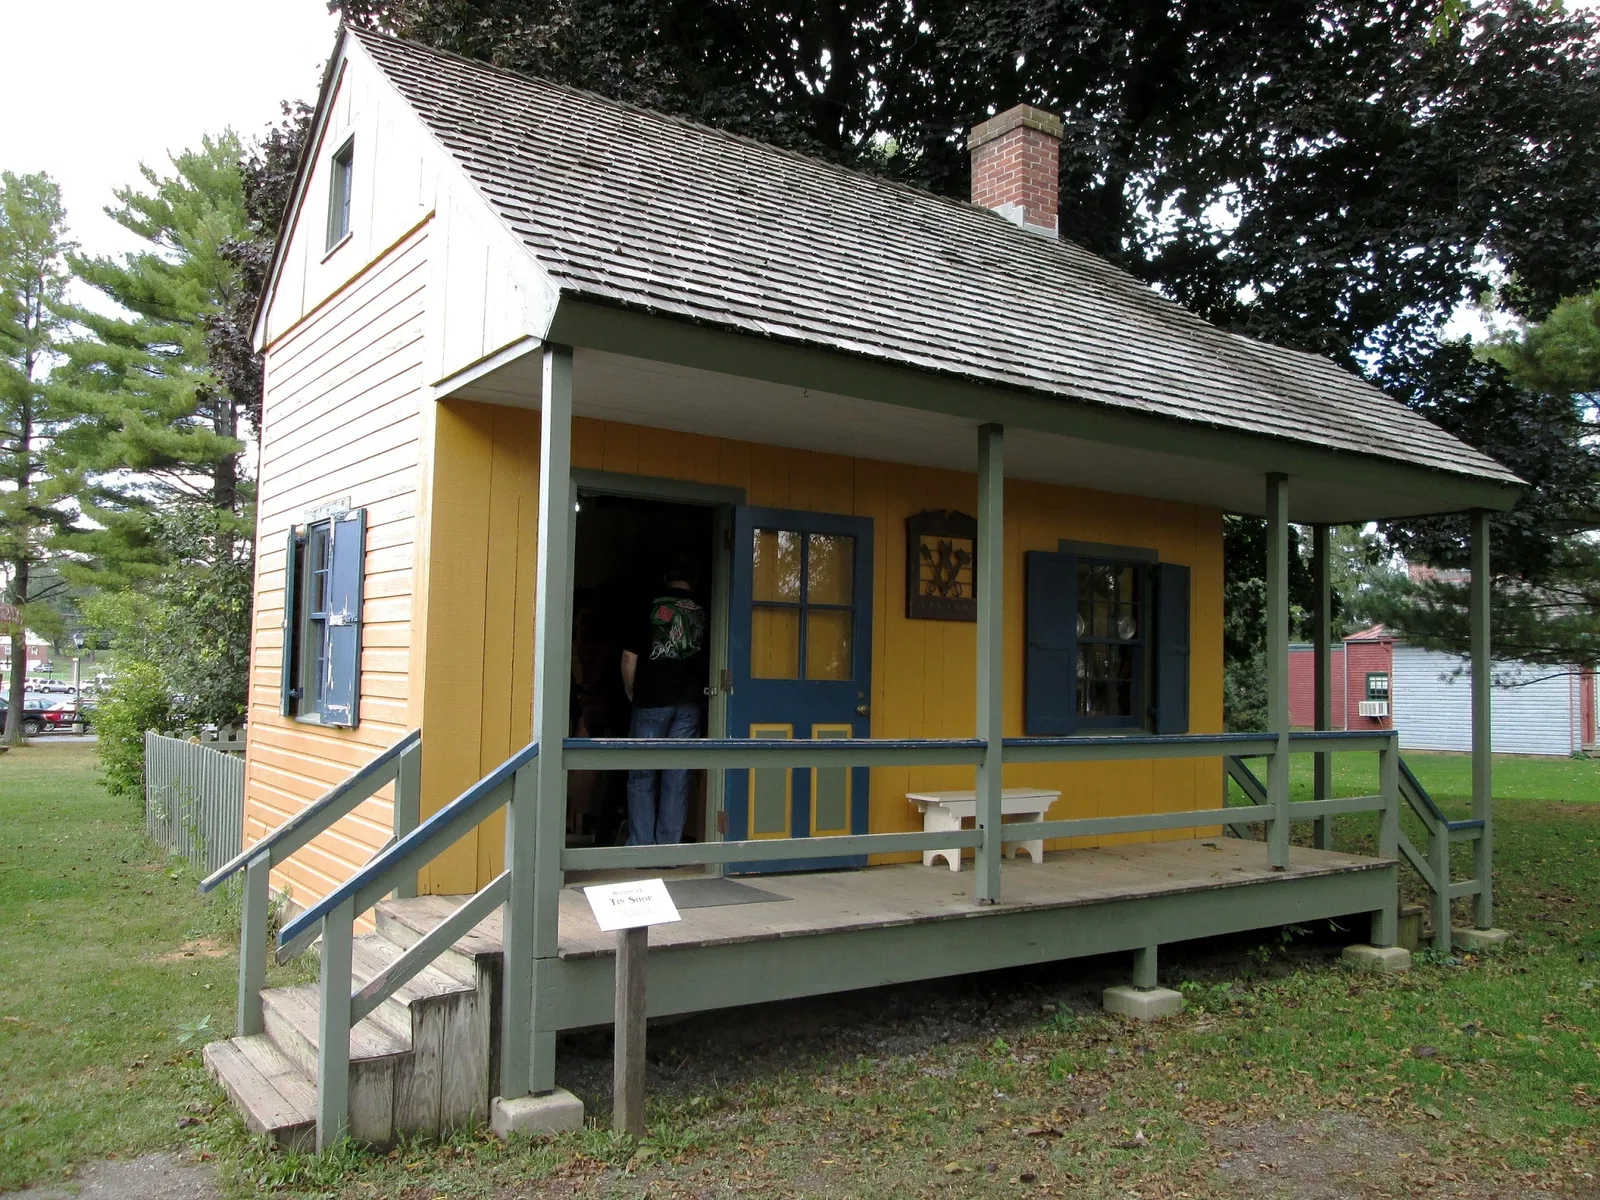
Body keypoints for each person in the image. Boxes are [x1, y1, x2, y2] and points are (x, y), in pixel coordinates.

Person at [620, 563, 707, 844]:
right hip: (689, 702)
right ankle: (669, 850)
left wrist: (631, 689)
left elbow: (629, 657)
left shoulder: (647, 605)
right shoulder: (704, 609)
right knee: (677, 774)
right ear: (694, 580)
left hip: (651, 699)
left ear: (666, 577)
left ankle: (642, 847)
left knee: (642, 775)